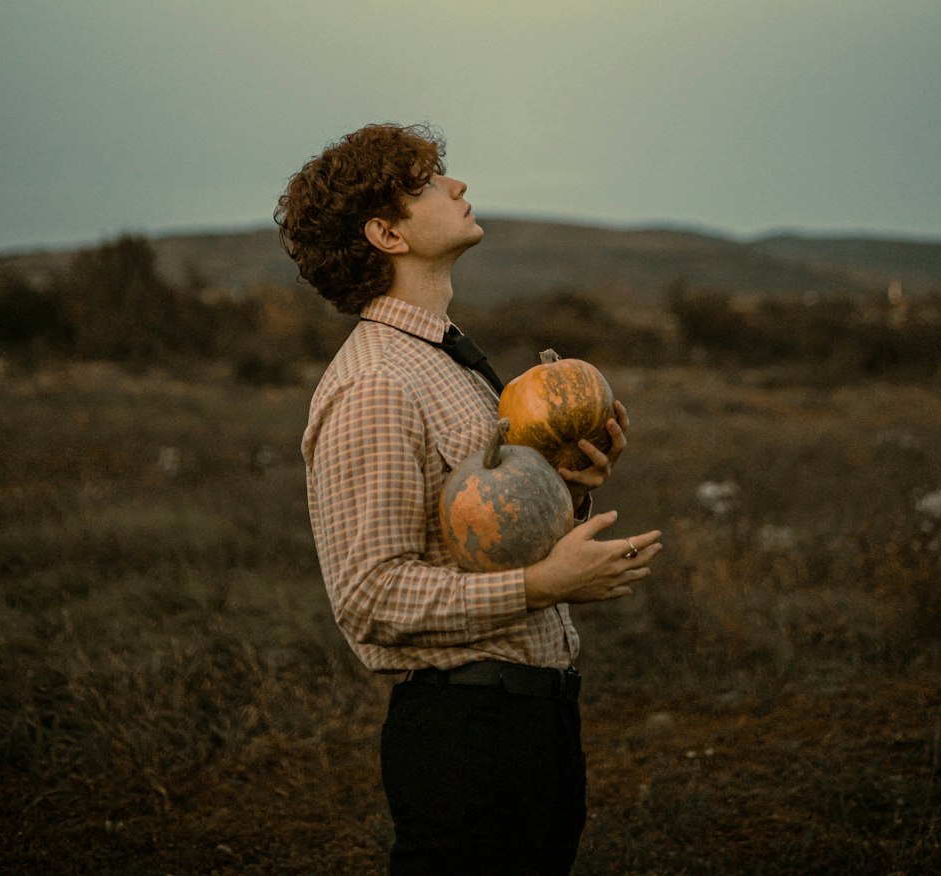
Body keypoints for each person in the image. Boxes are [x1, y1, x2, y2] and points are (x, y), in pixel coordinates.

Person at [275, 122, 662, 876]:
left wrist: (570, 497)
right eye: (425, 184)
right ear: (386, 233)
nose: (455, 186)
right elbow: (370, 595)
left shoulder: (449, 361)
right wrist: (543, 585)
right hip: (465, 732)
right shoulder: (378, 384)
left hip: (529, 721)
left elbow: (480, 538)